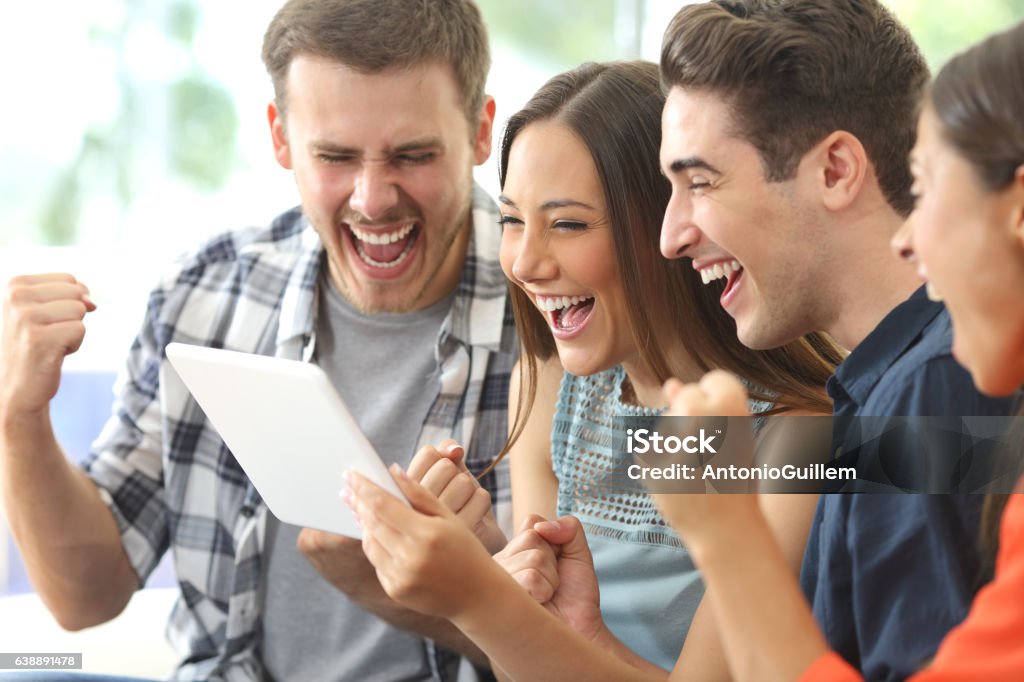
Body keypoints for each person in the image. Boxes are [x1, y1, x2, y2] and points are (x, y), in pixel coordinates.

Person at [0, 0, 516, 680]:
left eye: (413, 155)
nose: (372, 199)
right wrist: (19, 418)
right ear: (280, 137)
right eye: (333, 156)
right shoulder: (205, 293)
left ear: (481, 131)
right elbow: (84, 597)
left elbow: (588, 654)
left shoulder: (556, 312)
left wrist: (417, 589)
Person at [345, 60, 842, 680]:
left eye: (569, 224)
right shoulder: (555, 383)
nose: (525, 262)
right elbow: (537, 654)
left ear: (674, 227)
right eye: (512, 221)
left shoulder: (801, 439)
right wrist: (495, 564)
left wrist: (478, 596)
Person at [653, 1, 1019, 680]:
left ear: (834, 170)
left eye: (700, 182)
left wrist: (724, 537)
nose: (670, 235)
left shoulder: (931, 389)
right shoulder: (892, 384)